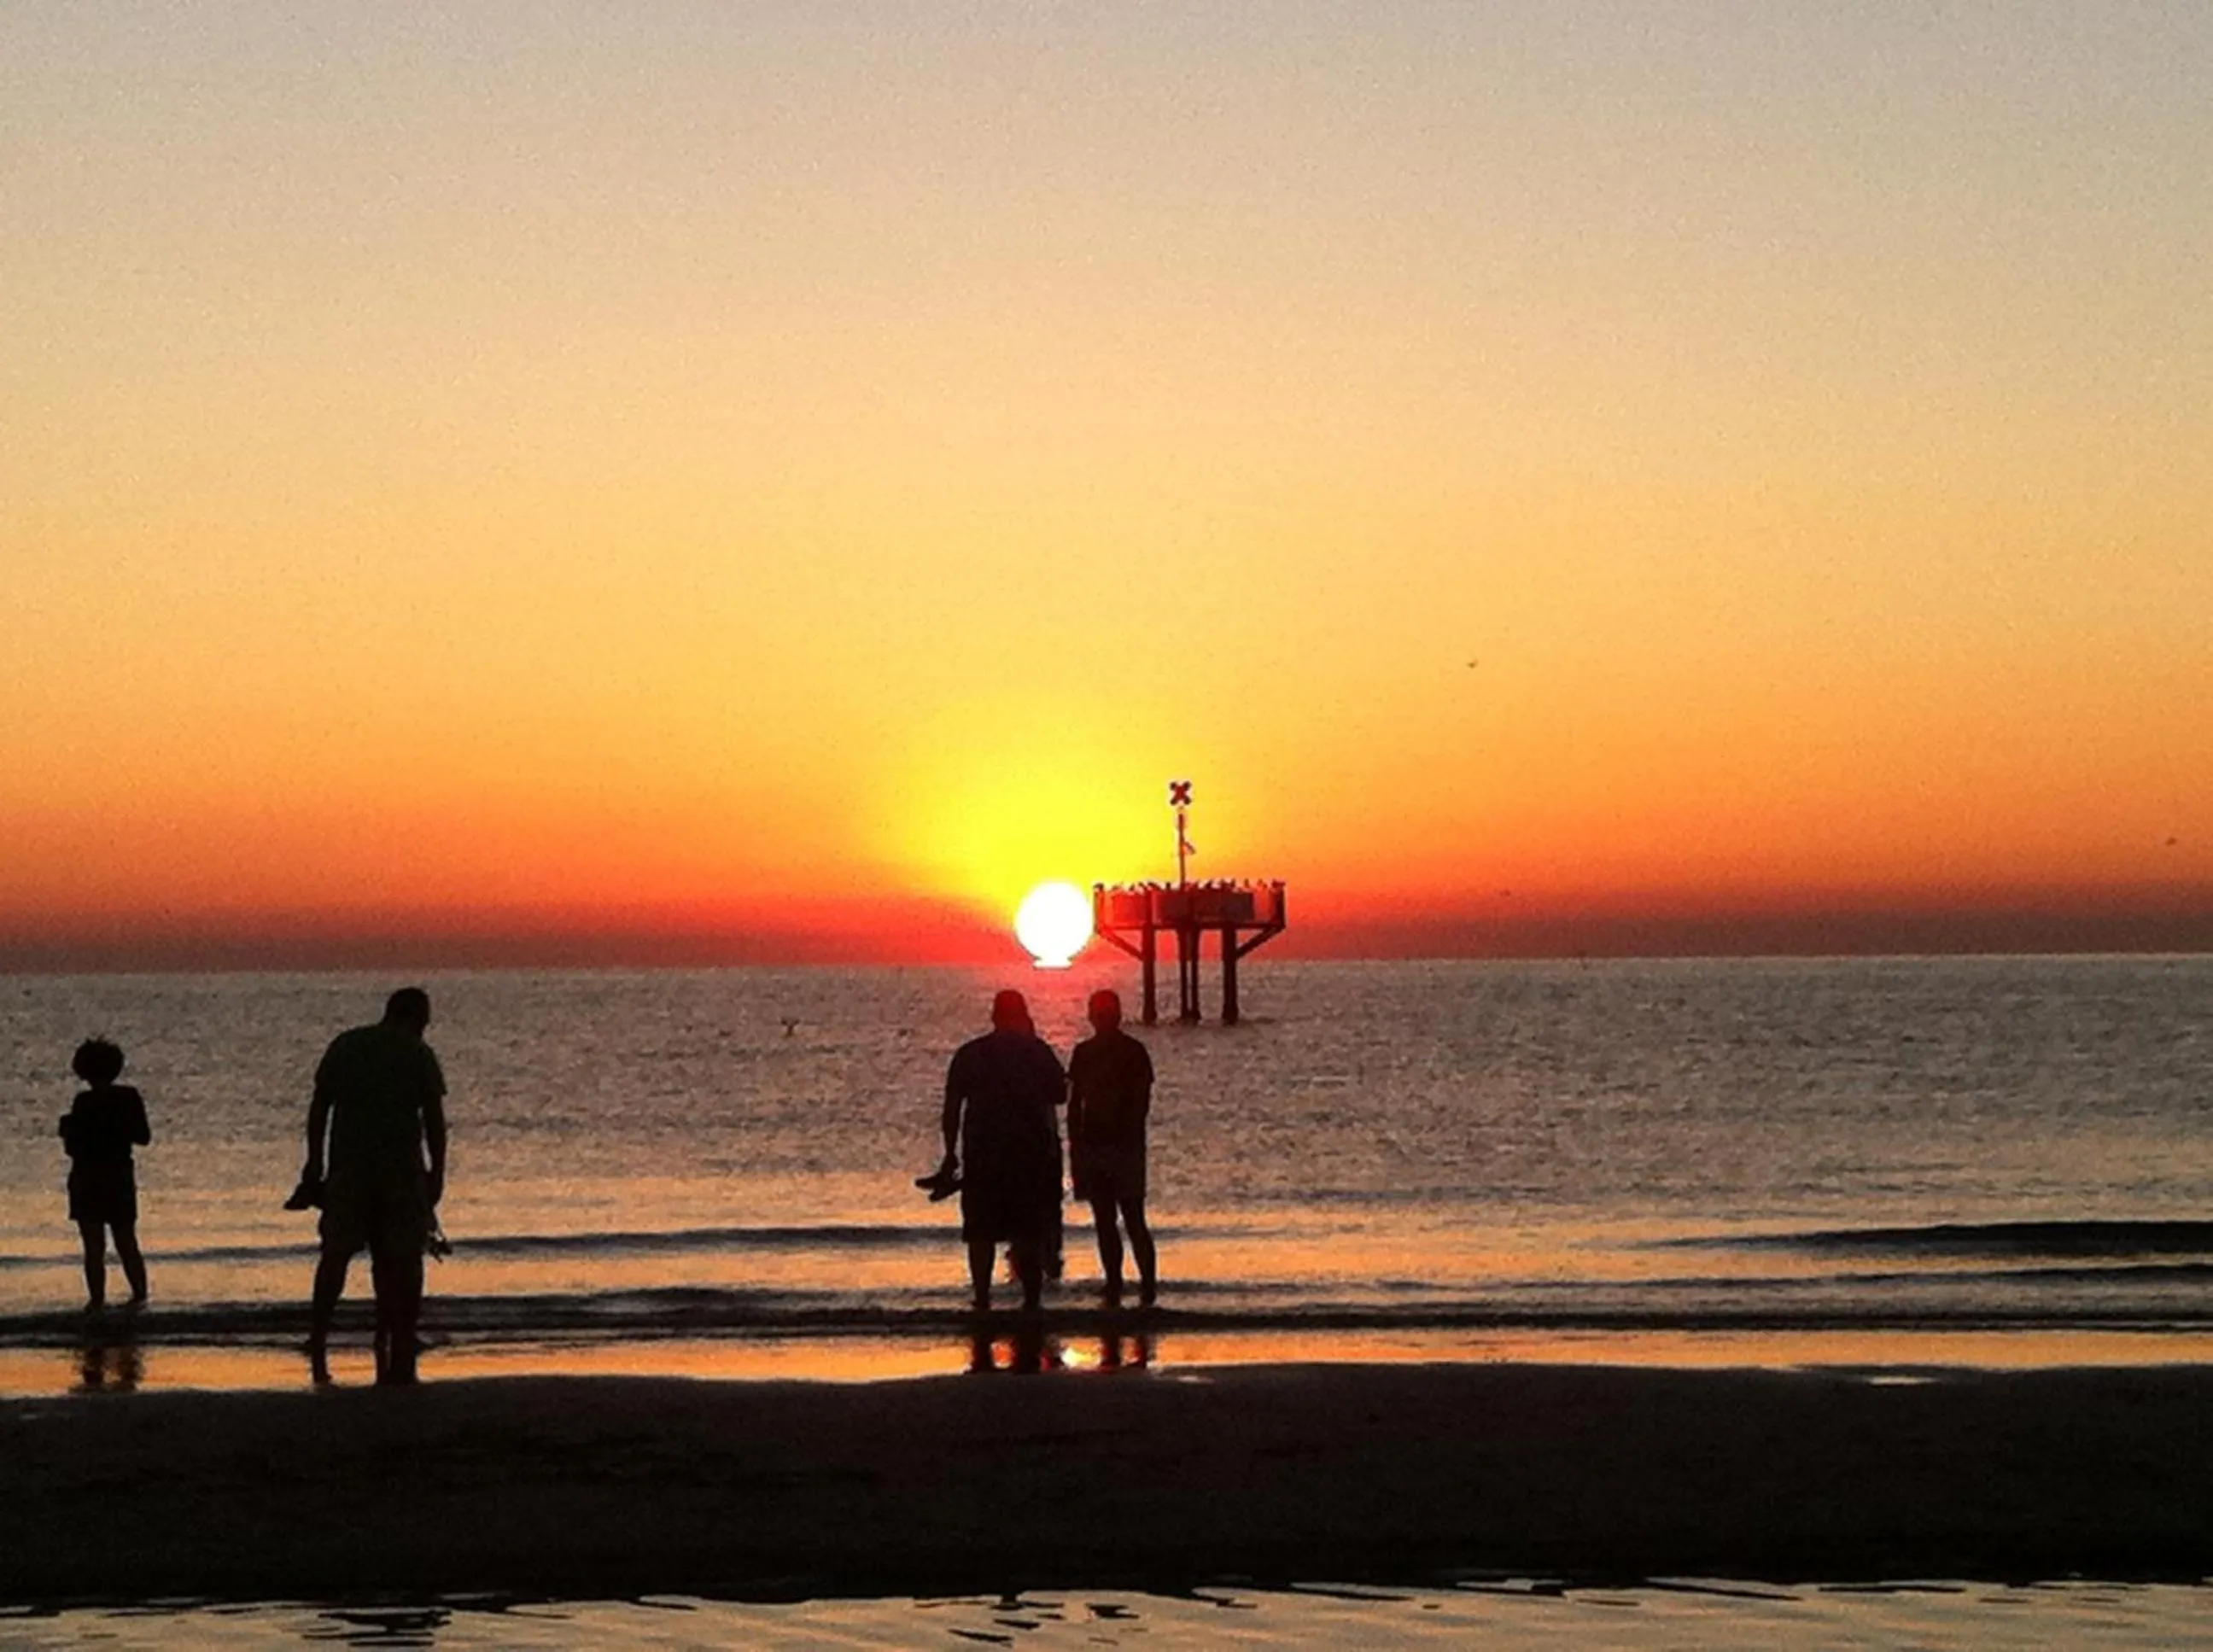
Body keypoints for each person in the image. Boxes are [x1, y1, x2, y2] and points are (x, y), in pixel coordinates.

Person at [299, 987, 448, 1385]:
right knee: (401, 1259)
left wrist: (314, 1162)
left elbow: (319, 1109)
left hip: (349, 1169)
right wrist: (438, 1172)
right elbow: (434, 1119)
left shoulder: (346, 1045)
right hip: (400, 1171)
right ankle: (398, 1334)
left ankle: (317, 1336)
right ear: (418, 1019)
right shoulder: (418, 1054)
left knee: (335, 1255)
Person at [939, 989, 1066, 1314]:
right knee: (1027, 1232)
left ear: (994, 1016)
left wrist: (950, 1153)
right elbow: (1060, 1094)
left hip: (983, 1153)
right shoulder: (1037, 1052)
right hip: (1029, 1154)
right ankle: (1032, 1302)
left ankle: (982, 1299)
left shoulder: (970, 1053)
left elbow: (952, 1107)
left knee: (981, 1233)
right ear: (1022, 1017)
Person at [1066, 989, 1157, 1306]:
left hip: (1120, 1144)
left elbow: (1140, 1102)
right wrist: (1076, 1146)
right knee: (1108, 1219)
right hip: (1098, 1144)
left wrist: (1079, 1145)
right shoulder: (1086, 1053)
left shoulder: (1133, 1052)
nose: (1100, 1018)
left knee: (1129, 1218)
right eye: (1098, 1012)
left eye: (1103, 1012)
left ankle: (1143, 1286)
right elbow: (1075, 1104)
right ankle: (1117, 1283)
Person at [58, 1038, 151, 1312]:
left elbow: (74, 1149)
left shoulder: (84, 1102)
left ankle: (97, 1301)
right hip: (117, 1174)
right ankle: (139, 1298)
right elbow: (143, 1137)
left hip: (88, 1176)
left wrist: (69, 1130)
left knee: (93, 1246)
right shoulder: (128, 1097)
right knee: (126, 1240)